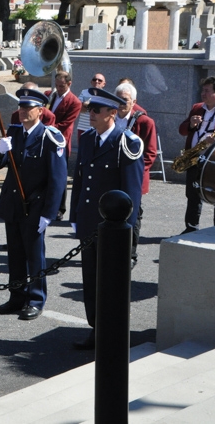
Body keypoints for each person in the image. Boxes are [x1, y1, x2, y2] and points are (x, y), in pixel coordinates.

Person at [70, 87, 143, 350]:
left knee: (111, 282)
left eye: (97, 110)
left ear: (113, 113)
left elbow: (131, 193)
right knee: (90, 279)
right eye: (90, 109)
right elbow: (80, 179)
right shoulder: (89, 139)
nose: (91, 114)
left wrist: (128, 233)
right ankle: (96, 328)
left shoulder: (128, 142)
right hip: (90, 221)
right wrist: (75, 214)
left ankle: (112, 331)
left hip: (113, 229)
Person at [0, 88, 67, 321]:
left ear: (40, 111)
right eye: (21, 107)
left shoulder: (49, 137)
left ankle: (35, 299)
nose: (23, 112)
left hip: (35, 205)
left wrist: (49, 212)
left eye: (28, 108)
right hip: (14, 202)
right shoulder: (14, 133)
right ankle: (16, 296)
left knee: (34, 255)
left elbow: (57, 179)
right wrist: (1, 151)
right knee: (14, 253)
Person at [178, 76, 215, 233]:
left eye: (207, 91)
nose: (203, 93)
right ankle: (191, 228)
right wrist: (191, 124)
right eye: (202, 90)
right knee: (192, 194)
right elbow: (182, 130)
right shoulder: (197, 108)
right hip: (194, 158)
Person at [115, 82, 157, 267]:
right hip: (112, 176)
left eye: (125, 100)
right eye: (118, 99)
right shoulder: (109, 117)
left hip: (135, 179)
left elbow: (150, 154)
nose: (121, 103)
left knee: (133, 216)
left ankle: (130, 254)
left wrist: (133, 173)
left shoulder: (144, 122)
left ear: (134, 102)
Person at [45, 71, 81, 220]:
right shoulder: (51, 95)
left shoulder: (74, 102)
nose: (58, 88)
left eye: (62, 86)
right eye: (57, 85)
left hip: (61, 141)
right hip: (46, 138)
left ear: (69, 84)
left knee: (60, 176)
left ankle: (60, 208)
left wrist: (48, 128)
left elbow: (66, 123)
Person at [76, 73, 106, 138]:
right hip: (83, 128)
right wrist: (85, 105)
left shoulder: (105, 96)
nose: (96, 81)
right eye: (94, 80)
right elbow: (78, 109)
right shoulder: (84, 92)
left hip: (98, 129)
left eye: (99, 80)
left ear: (104, 84)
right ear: (91, 82)